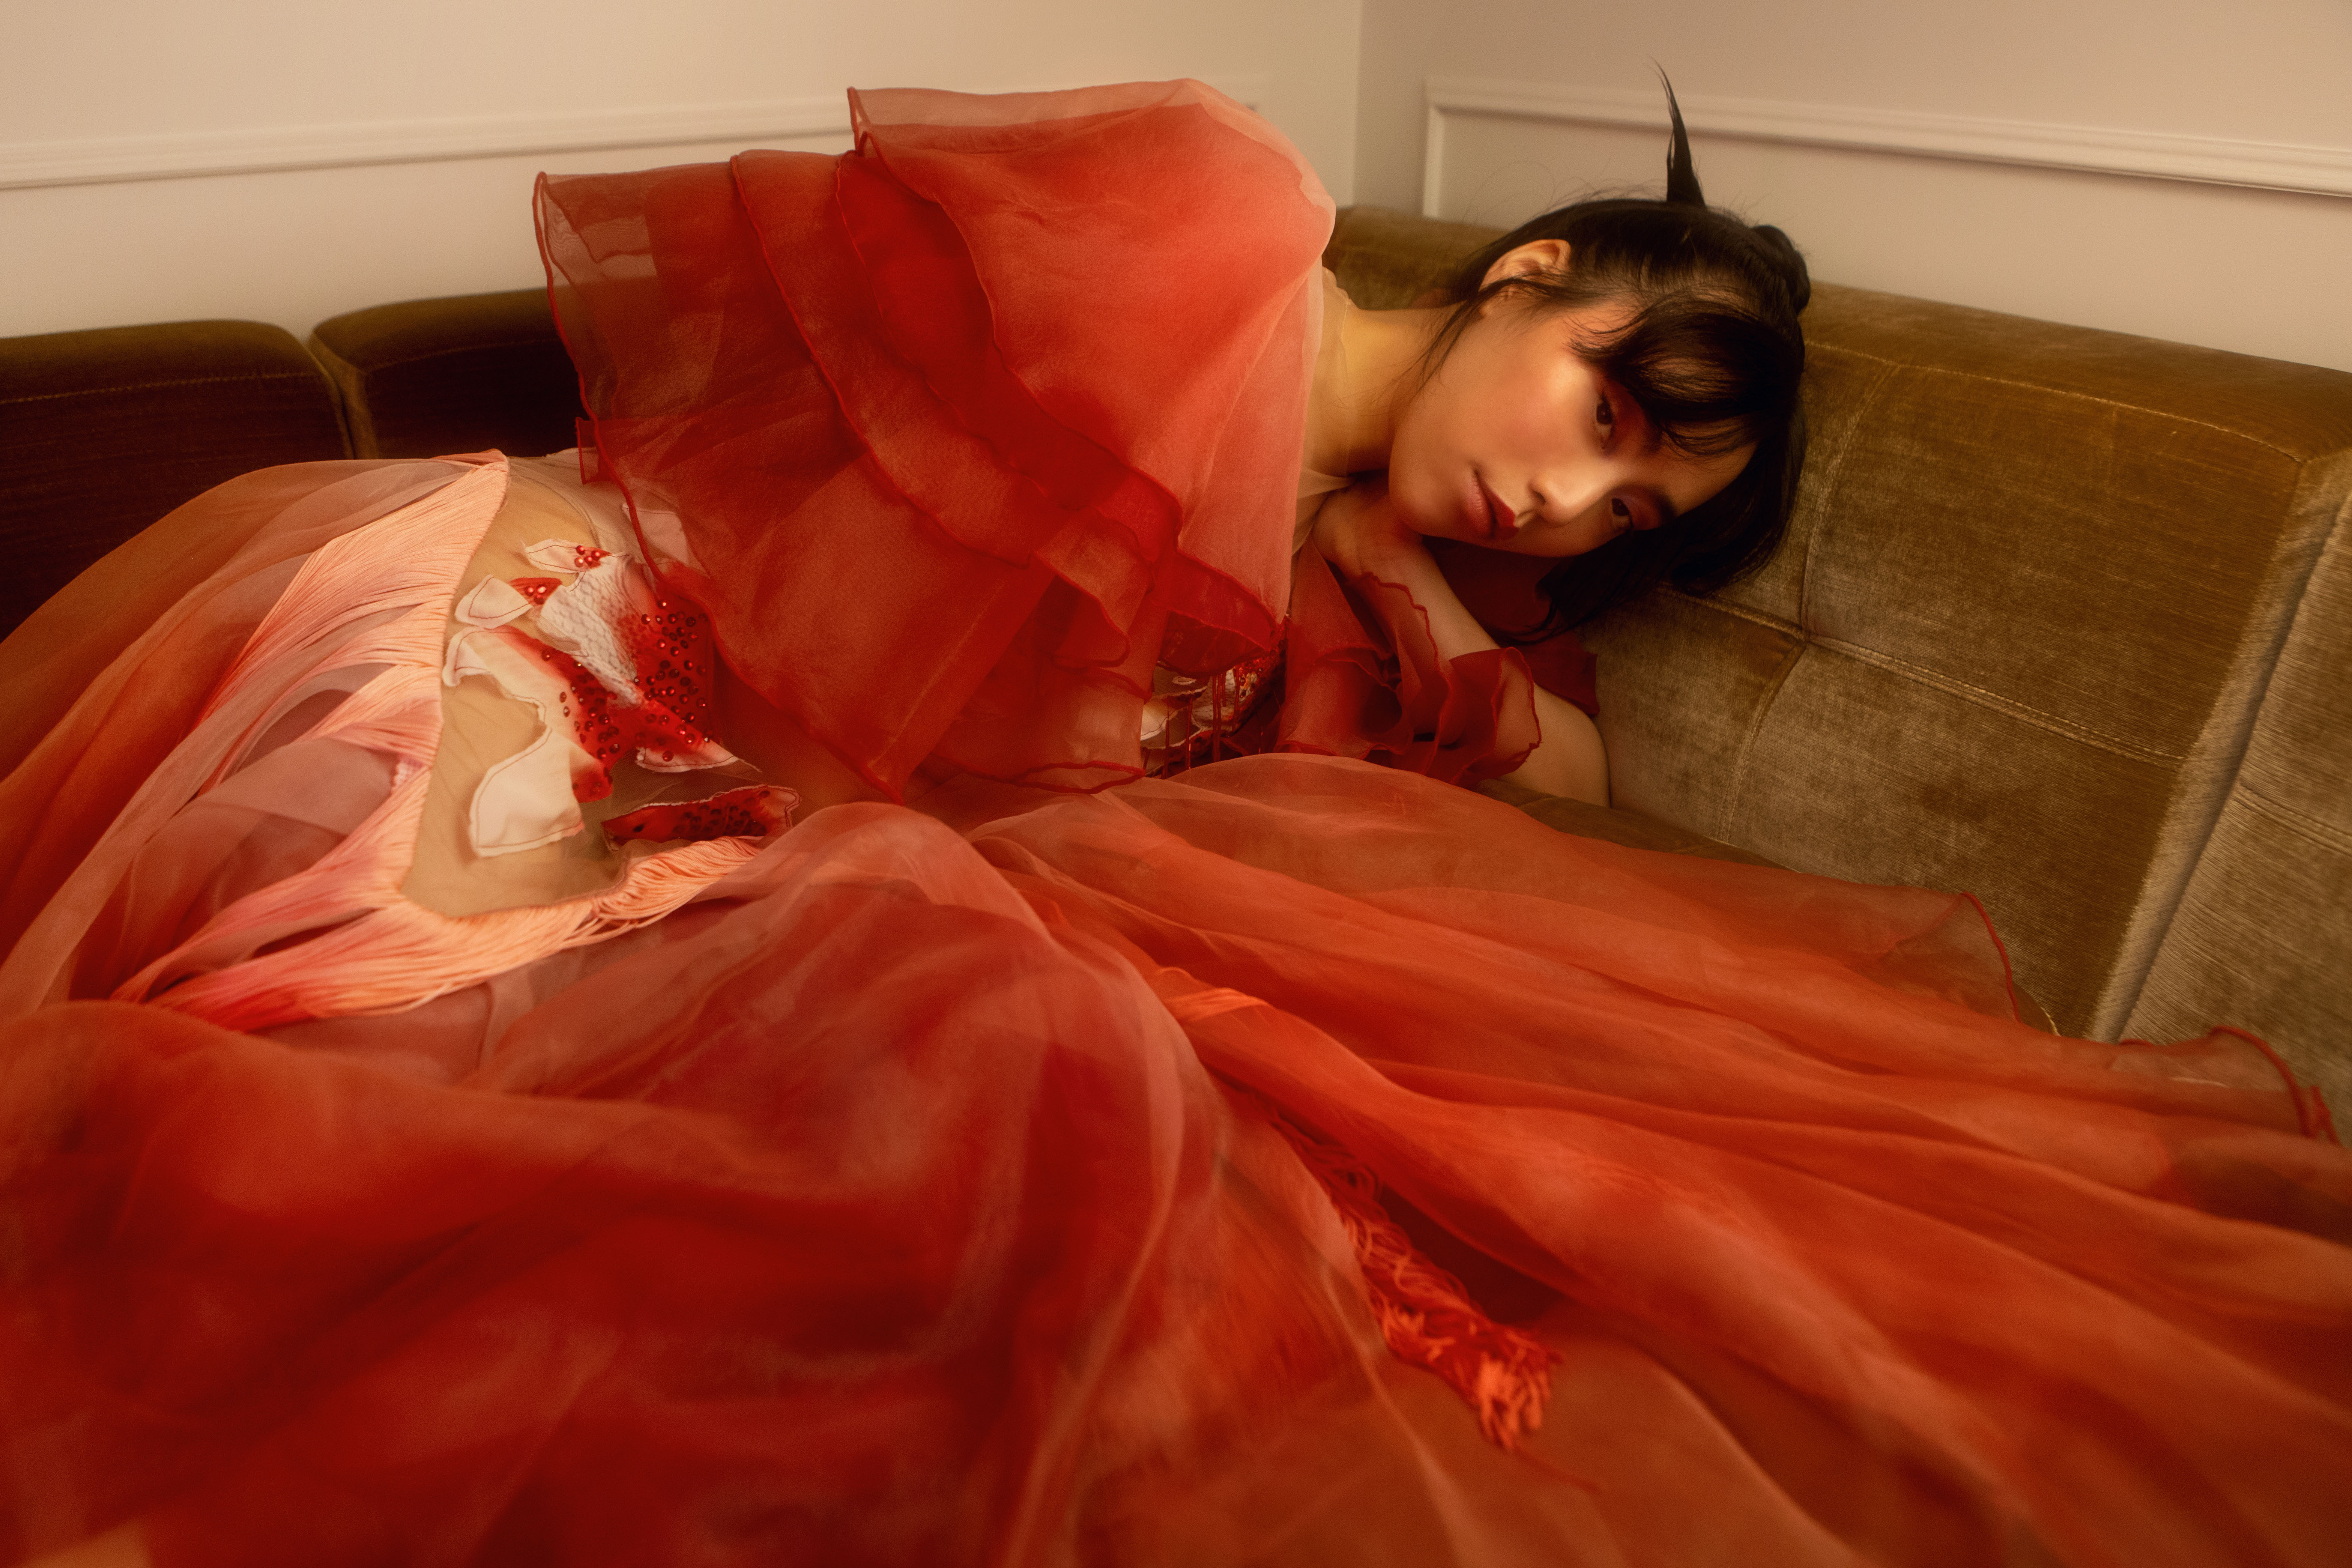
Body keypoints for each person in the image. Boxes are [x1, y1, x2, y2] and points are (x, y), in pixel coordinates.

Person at [0, 79, 2345, 1568]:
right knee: (355, 1100)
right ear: (1528, 273)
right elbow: (834, 528)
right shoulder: (1229, 227)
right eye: (1611, 408)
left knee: (946, 1154)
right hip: (560, 614)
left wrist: (1421, 562)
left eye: (1633, 504)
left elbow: (1578, 797)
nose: (1576, 490)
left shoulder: (1350, 575)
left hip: (765, 816)